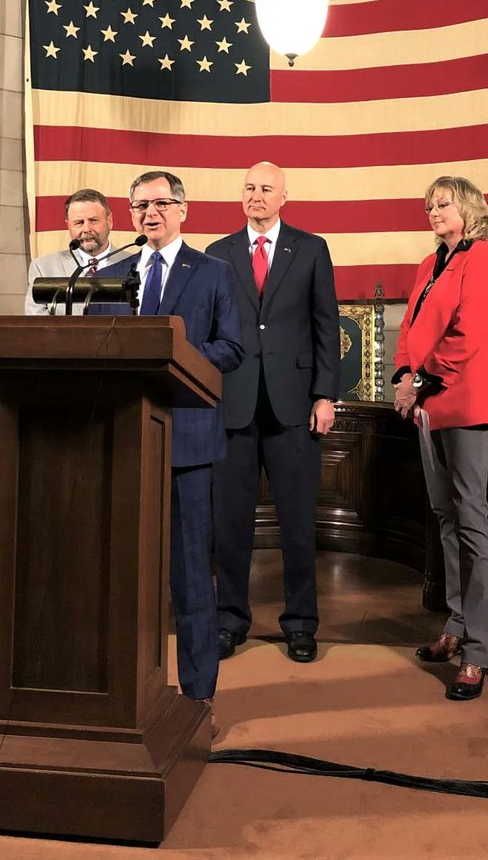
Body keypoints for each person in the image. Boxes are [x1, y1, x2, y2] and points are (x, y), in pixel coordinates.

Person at [95, 171, 243, 727]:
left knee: (188, 575)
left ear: (183, 209)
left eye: (161, 203)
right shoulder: (109, 276)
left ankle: (198, 697)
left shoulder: (213, 273)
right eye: (139, 206)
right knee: (121, 572)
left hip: (187, 443)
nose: (149, 214)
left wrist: (173, 351)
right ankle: (119, 691)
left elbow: (231, 348)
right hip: (123, 440)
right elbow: (94, 350)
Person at [207, 161, 340, 664]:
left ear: (285, 196)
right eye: (249, 188)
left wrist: (325, 395)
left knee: (298, 522)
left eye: (266, 189)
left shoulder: (311, 249)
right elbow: (210, 330)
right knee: (231, 523)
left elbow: (326, 327)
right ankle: (229, 619)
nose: (256, 196)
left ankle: (301, 623)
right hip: (233, 405)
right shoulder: (217, 254)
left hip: (295, 408)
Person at [393, 176, 488, 702]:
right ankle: (456, 625)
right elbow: (410, 330)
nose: (433, 210)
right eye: (429, 204)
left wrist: (420, 382)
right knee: (444, 516)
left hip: (464, 401)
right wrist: (402, 377)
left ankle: (477, 652)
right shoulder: (428, 265)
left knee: (471, 518)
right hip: (427, 405)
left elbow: (471, 329)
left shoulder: (482, 258)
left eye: (444, 203)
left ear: (469, 209)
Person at [24, 188, 115, 315]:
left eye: (93, 221)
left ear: (109, 221)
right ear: (68, 226)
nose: (86, 229)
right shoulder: (43, 268)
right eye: (79, 223)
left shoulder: (135, 263)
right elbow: (37, 324)